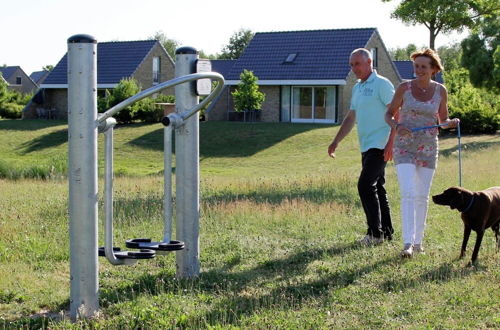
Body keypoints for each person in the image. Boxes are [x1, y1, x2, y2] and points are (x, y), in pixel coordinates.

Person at [385, 48, 459, 257]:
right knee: (408, 193)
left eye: (423, 67)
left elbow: (442, 121)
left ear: (433, 69)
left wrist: (451, 123)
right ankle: (407, 244)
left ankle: (418, 242)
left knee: (421, 196)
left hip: (428, 148)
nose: (418, 70)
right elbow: (389, 114)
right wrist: (397, 126)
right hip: (404, 146)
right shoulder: (404, 88)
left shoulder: (440, 90)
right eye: (416, 66)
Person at [328, 48, 395, 245]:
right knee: (378, 188)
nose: (354, 68)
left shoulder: (382, 84)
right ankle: (387, 232)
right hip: (366, 145)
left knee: (365, 185)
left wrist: (391, 142)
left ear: (369, 62)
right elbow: (351, 117)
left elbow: (396, 114)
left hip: (381, 144)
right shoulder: (357, 88)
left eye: (357, 64)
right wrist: (336, 140)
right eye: (351, 65)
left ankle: (375, 234)